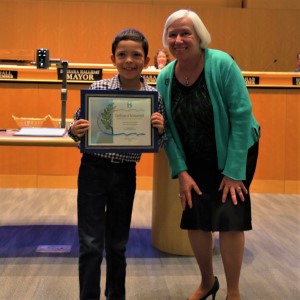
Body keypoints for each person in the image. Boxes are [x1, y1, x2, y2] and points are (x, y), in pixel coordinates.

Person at [156, 9, 260, 300]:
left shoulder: (222, 64)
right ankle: (207, 283)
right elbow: (168, 132)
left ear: (200, 36)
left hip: (235, 151)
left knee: (229, 217)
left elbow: (241, 117)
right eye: (172, 34)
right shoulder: (164, 77)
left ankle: (234, 292)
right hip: (194, 156)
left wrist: (233, 172)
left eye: (185, 33)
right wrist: (182, 172)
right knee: (196, 217)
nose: (178, 40)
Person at [68, 28, 165, 300]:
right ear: (113, 58)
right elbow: (74, 129)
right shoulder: (97, 89)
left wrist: (160, 129)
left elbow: (161, 141)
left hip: (125, 175)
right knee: (89, 244)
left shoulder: (154, 97)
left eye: (136, 55)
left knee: (118, 245)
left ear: (146, 60)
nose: (129, 60)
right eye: (122, 54)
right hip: (92, 171)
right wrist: (76, 129)